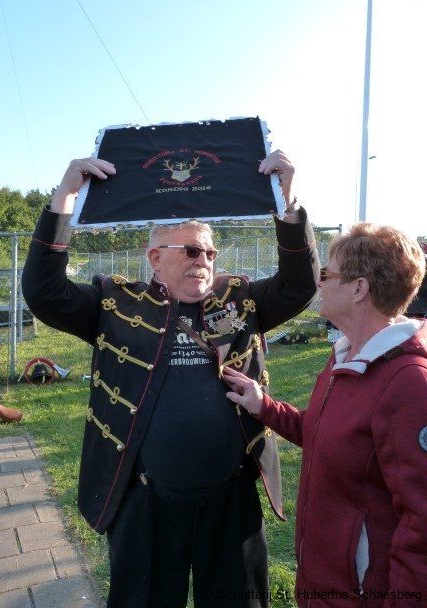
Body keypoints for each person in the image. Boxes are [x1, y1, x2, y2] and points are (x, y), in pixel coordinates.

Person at [22, 150, 319, 608]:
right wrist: (64, 198)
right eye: (193, 250)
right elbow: (45, 293)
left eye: (211, 252)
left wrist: (288, 201)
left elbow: (300, 285)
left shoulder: (241, 299)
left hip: (231, 501)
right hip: (146, 504)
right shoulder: (114, 303)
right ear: (155, 257)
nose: (205, 260)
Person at [224, 223, 427, 607]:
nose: (319, 283)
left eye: (326, 275)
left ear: (359, 288)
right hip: (322, 587)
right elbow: (323, 432)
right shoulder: (348, 356)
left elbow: (422, 525)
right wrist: (264, 406)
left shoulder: (409, 384)